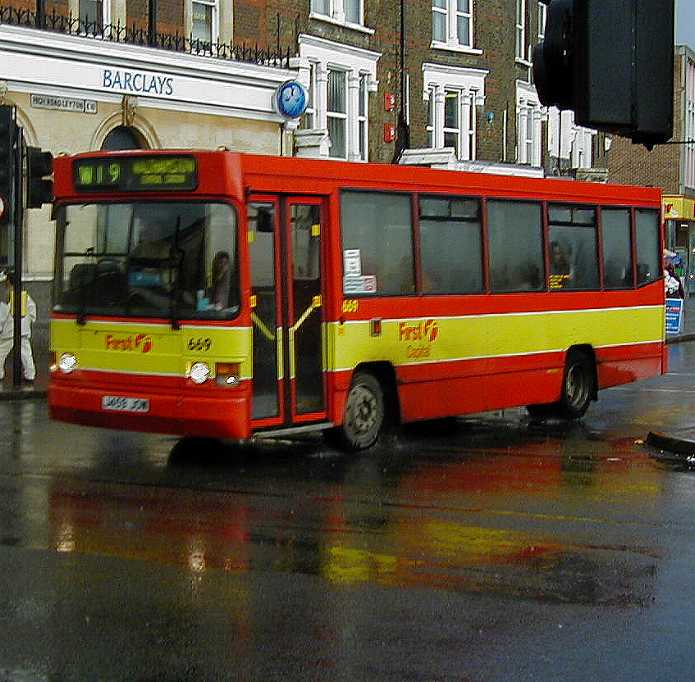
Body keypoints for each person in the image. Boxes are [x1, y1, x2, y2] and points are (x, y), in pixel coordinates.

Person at [0, 271, 36, 382]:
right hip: (23, 330)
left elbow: (3, 315)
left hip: (9, 331)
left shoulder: (7, 297)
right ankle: (30, 374)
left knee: (1, 352)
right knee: (26, 354)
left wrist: (0, 328)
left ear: (8, 283)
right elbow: (32, 311)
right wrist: (28, 322)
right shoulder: (25, 295)